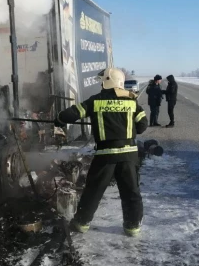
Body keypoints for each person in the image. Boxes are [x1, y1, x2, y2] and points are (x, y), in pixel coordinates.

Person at [54, 68, 148, 236]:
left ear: (107, 81)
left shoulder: (95, 101)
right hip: (128, 155)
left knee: (93, 190)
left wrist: (59, 119)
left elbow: (71, 114)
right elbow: (142, 126)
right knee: (131, 192)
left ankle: (81, 223)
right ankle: (132, 227)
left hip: (106, 155)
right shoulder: (132, 102)